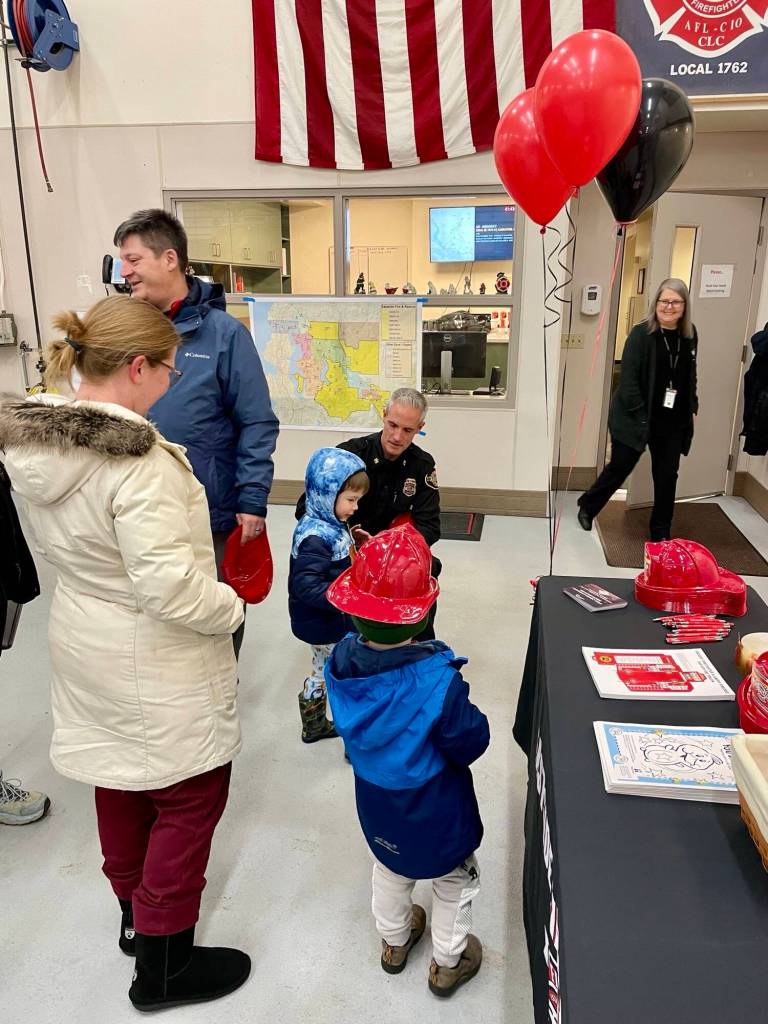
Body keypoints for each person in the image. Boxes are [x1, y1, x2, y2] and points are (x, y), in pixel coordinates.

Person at [0, 295, 250, 1011]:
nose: (174, 383)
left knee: (120, 777)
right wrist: (230, 605)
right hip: (154, 652)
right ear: (137, 366)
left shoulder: (37, 444)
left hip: (83, 633)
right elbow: (170, 590)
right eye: (170, 370)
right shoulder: (140, 464)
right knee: (189, 795)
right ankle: (164, 969)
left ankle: (134, 921)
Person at [324, 524, 489, 998]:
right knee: (454, 877)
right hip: (433, 803)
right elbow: (469, 741)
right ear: (421, 615)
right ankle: (448, 961)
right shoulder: (438, 680)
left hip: (376, 800)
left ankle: (394, 943)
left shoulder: (339, 663)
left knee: (391, 867)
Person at [114, 208, 280, 658]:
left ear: (170, 259)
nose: (123, 271)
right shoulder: (125, 331)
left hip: (210, 509)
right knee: (154, 610)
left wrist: (251, 499)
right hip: (138, 505)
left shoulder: (224, 335)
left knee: (218, 607)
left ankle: (222, 683)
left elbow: (257, 421)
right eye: (122, 261)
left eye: (132, 260)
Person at [296, 388, 441, 638]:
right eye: (392, 424)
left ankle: (417, 641)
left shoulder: (422, 465)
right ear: (383, 415)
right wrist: (349, 538)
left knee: (429, 570)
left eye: (407, 430)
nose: (397, 436)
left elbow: (430, 527)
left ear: (420, 427)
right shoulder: (350, 455)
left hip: (394, 555)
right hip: (349, 549)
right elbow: (307, 508)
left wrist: (388, 550)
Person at [577, 278, 698, 541]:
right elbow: (629, 380)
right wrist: (640, 412)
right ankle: (588, 506)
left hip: (672, 420)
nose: (669, 306)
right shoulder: (641, 334)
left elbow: (690, 373)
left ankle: (661, 530)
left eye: (676, 302)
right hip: (635, 416)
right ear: (655, 303)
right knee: (620, 467)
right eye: (664, 301)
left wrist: (693, 402)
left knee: (667, 476)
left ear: (684, 306)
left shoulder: (689, 334)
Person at [289, 447, 368, 744]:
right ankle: (354, 735)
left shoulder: (328, 524)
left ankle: (314, 725)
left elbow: (334, 564)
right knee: (346, 675)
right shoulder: (315, 537)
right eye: (350, 500)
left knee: (321, 670)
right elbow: (307, 585)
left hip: (323, 621)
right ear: (326, 493)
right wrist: (345, 597)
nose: (355, 507)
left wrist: (354, 544)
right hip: (326, 622)